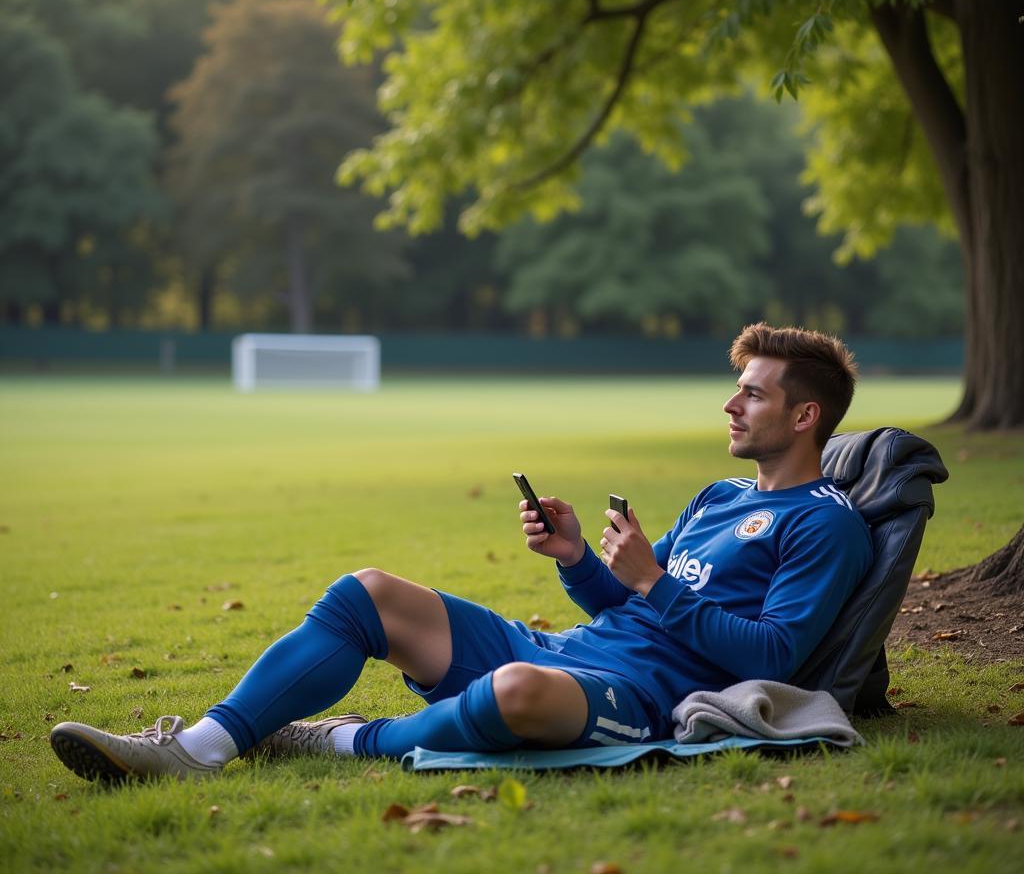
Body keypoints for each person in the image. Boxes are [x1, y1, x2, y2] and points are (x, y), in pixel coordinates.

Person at [50, 323, 873, 783]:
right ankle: (196, 749)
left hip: (637, 695)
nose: (730, 404)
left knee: (515, 692)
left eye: (753, 393)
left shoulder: (824, 523)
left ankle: (346, 738)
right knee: (365, 592)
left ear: (804, 418)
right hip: (569, 650)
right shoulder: (719, 498)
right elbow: (634, 606)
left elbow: (777, 655)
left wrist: (654, 581)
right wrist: (583, 561)